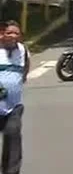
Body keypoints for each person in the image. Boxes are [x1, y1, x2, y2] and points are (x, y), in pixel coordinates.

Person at [0, 21, 29, 174]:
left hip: (13, 106)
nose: (13, 36)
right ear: (2, 34)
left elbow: (25, 70)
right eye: (9, 33)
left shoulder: (23, 50)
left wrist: (14, 85)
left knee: (13, 135)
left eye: (16, 33)